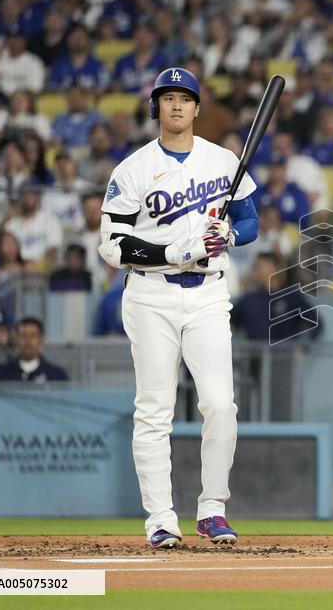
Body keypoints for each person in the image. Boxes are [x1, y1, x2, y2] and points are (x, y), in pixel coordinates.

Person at [98, 68, 260, 550]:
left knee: (219, 405)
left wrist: (227, 235)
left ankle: (213, 509)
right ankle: (160, 518)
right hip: (151, 294)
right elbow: (112, 245)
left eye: (184, 98)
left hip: (209, 292)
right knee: (154, 409)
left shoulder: (223, 159)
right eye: (166, 98)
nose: (175, 106)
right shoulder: (132, 168)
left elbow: (249, 219)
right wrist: (169, 252)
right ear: (156, 108)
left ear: (195, 108)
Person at [0, 317, 68, 383]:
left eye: (33, 336)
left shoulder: (56, 376)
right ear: (16, 339)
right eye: (23, 335)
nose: (28, 340)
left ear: (41, 340)